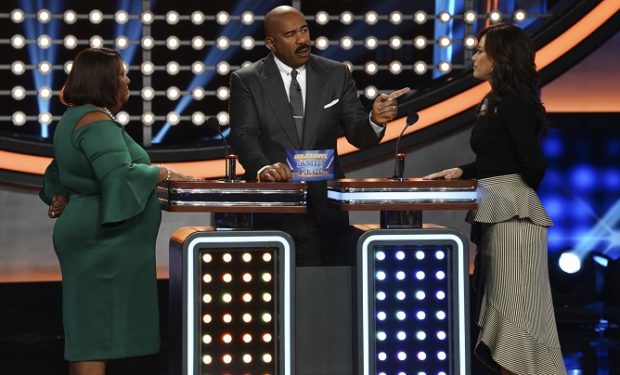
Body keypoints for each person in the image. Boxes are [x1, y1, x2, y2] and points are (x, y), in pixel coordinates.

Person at [40, 47, 198, 375]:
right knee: (93, 336)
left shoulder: (75, 117)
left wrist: (61, 194)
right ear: (105, 80)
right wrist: (165, 172)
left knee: (89, 332)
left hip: (97, 239)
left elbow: (59, 170)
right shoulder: (97, 123)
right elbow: (120, 174)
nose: (128, 80)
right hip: (103, 242)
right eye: (123, 74)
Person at [424, 24, 567, 374]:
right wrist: (463, 171)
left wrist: (510, 193)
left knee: (517, 317)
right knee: (506, 314)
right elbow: (502, 157)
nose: (473, 57)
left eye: (480, 50)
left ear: (500, 58)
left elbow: (533, 163)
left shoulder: (513, 103)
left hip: (513, 218)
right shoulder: (496, 101)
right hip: (498, 213)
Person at [229, 5, 409, 266]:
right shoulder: (247, 80)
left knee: (328, 290)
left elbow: (358, 133)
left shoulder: (336, 74)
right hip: (277, 205)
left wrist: (375, 121)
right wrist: (263, 167)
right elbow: (243, 134)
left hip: (326, 206)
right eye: (291, 34)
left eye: (304, 30)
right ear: (271, 43)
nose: (302, 40)